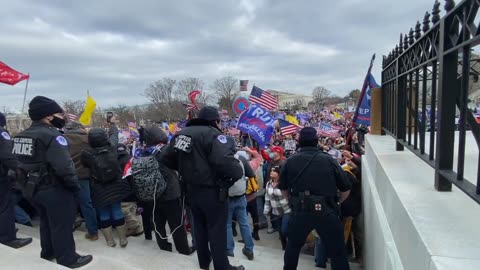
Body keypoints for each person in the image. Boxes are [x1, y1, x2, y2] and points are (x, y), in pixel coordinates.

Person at [159, 106, 245, 270]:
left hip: (190, 190)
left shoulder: (181, 134)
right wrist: (235, 175)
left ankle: (204, 262)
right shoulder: (213, 134)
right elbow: (226, 163)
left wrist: (182, 167)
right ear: (215, 121)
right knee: (216, 230)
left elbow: (165, 157)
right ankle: (222, 266)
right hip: (212, 191)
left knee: (199, 227)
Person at [12, 96, 92, 268]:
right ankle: (68, 259)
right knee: (62, 225)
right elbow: (64, 167)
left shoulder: (20, 136)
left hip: (31, 189)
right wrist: (74, 187)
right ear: (48, 116)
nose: (62, 117)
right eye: (59, 114)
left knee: (46, 223)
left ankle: (47, 252)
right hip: (54, 188)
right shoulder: (52, 136)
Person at [279, 127, 351, 270]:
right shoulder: (329, 160)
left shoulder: (290, 161)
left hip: (300, 211)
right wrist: (336, 203)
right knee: (338, 252)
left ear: (299, 142)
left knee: (292, 249)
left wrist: (292, 203)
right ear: (316, 141)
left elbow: (283, 189)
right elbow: (346, 188)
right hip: (327, 211)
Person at [139, 126, 194, 255]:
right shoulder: (165, 150)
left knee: (158, 223)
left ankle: (164, 247)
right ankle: (183, 249)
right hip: (170, 192)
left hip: (151, 193)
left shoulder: (142, 152)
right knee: (177, 224)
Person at [82, 124, 131, 248]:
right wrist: (113, 124)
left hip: (99, 186)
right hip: (115, 184)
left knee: (103, 213)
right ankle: (122, 239)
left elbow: (85, 165)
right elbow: (114, 135)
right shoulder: (113, 147)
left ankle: (110, 241)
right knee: (117, 210)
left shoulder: (86, 153)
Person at [0, 112, 32, 249]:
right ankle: (8, 237)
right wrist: (20, 170)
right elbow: (8, 156)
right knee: (5, 206)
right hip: (1, 177)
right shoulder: (2, 134)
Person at [64, 121, 98, 241]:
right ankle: (93, 231)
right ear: (80, 128)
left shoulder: (61, 139)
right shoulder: (87, 139)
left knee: (68, 203)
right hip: (84, 175)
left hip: (66, 175)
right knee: (87, 204)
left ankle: (69, 226)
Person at [264, 166, 291, 250]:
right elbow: (267, 197)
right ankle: (284, 247)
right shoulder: (268, 183)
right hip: (276, 212)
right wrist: (266, 210)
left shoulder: (284, 183)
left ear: (279, 174)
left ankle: (291, 243)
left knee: (284, 230)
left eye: (274, 171)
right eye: (271, 171)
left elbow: (289, 196)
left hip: (286, 210)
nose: (271, 172)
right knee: (280, 232)